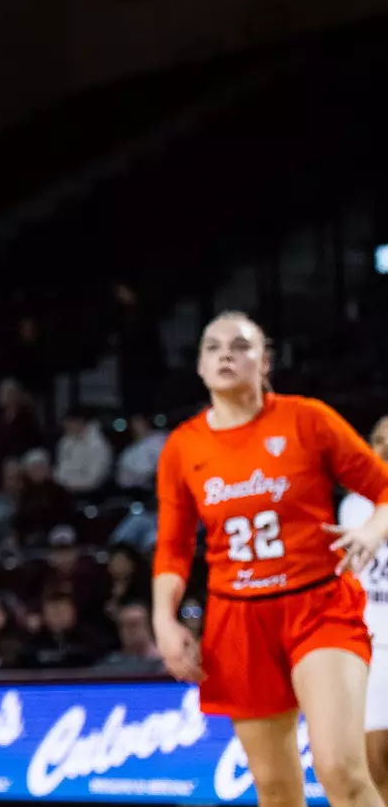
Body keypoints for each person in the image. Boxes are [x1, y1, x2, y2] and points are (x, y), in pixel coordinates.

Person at [154, 312, 388, 807]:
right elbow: (173, 547)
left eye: (239, 346)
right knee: (276, 788)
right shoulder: (183, 447)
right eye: (212, 347)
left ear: (264, 362)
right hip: (238, 619)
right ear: (199, 366)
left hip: (319, 605)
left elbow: (384, 488)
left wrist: (371, 529)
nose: (225, 355)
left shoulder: (309, 419)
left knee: (340, 770)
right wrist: (163, 618)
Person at [338, 414, 388, 802]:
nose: (384, 448)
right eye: (378, 440)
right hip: (372, 645)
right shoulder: (353, 506)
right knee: (374, 759)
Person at [53, 409, 113, 495]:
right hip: (64, 492)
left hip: (89, 495)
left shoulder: (98, 446)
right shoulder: (65, 441)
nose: (64, 425)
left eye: (68, 422)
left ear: (79, 422)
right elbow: (61, 468)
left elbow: (92, 480)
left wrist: (62, 482)